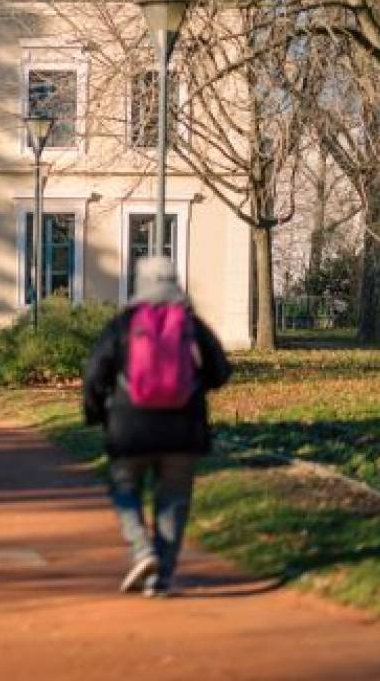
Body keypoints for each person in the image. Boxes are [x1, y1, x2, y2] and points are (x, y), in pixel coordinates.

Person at [83, 255, 231, 597]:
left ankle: (142, 549)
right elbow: (221, 371)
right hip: (183, 429)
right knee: (174, 500)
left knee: (124, 488)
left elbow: (95, 374)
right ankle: (161, 577)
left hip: (129, 427)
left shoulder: (124, 324)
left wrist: (96, 413)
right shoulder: (192, 325)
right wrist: (194, 387)